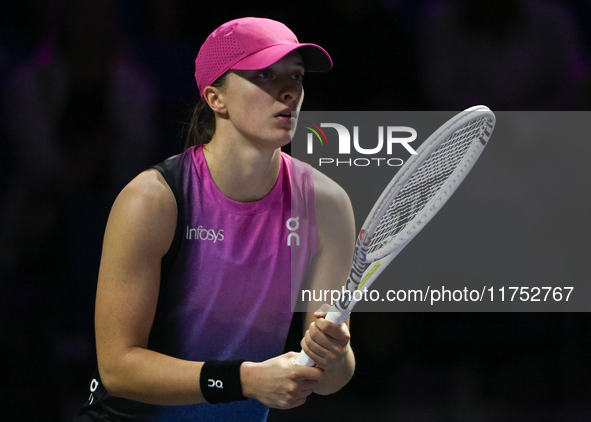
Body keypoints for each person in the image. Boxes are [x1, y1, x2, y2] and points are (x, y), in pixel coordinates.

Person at [74, 17, 356, 421]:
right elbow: (118, 367)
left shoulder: (326, 205)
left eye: (295, 75)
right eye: (266, 75)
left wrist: (335, 354)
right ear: (215, 98)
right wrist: (243, 381)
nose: (290, 90)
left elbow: (329, 379)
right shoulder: (152, 200)